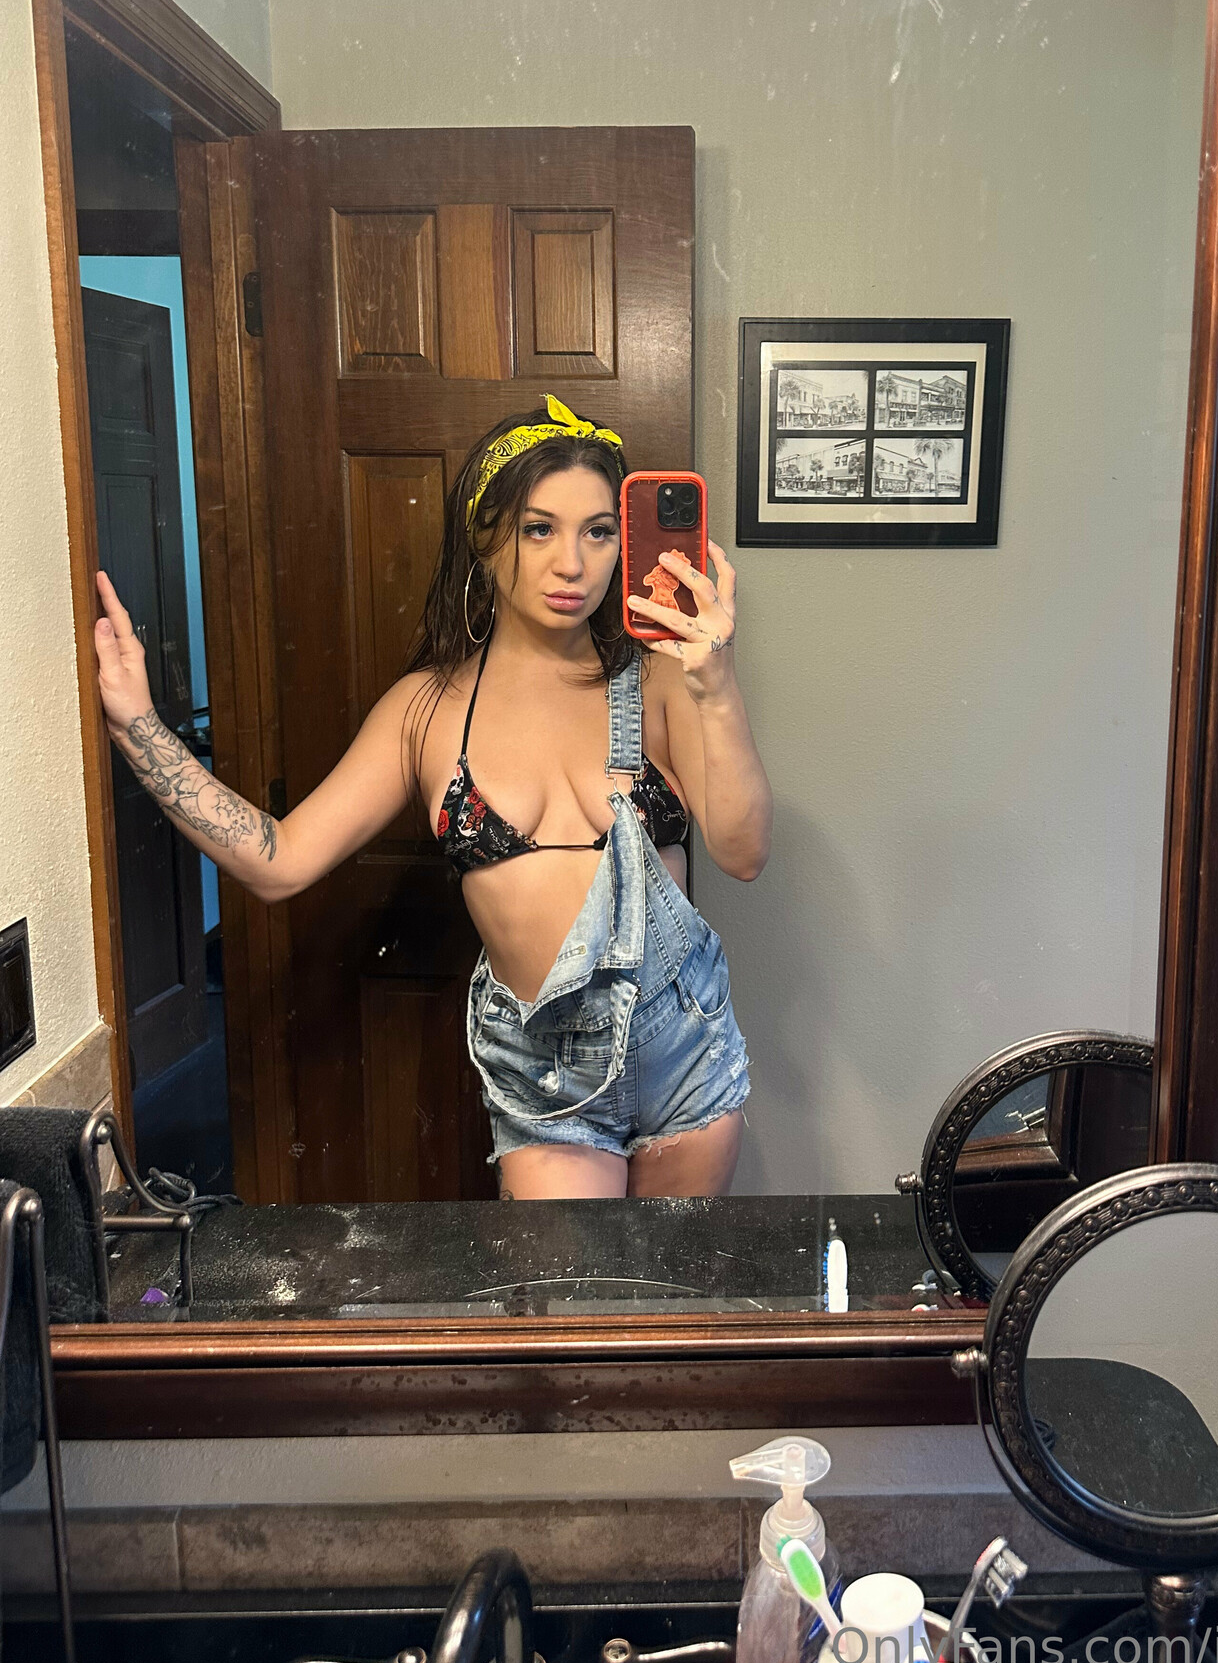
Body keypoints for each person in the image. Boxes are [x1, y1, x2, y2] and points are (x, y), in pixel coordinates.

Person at [93, 395, 772, 1200]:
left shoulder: (658, 678)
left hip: (685, 1052)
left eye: (598, 532)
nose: (573, 564)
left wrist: (717, 685)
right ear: (485, 538)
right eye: (538, 529)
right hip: (546, 1078)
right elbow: (280, 860)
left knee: (673, 1279)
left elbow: (743, 854)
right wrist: (140, 727)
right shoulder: (426, 710)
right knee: (570, 1283)